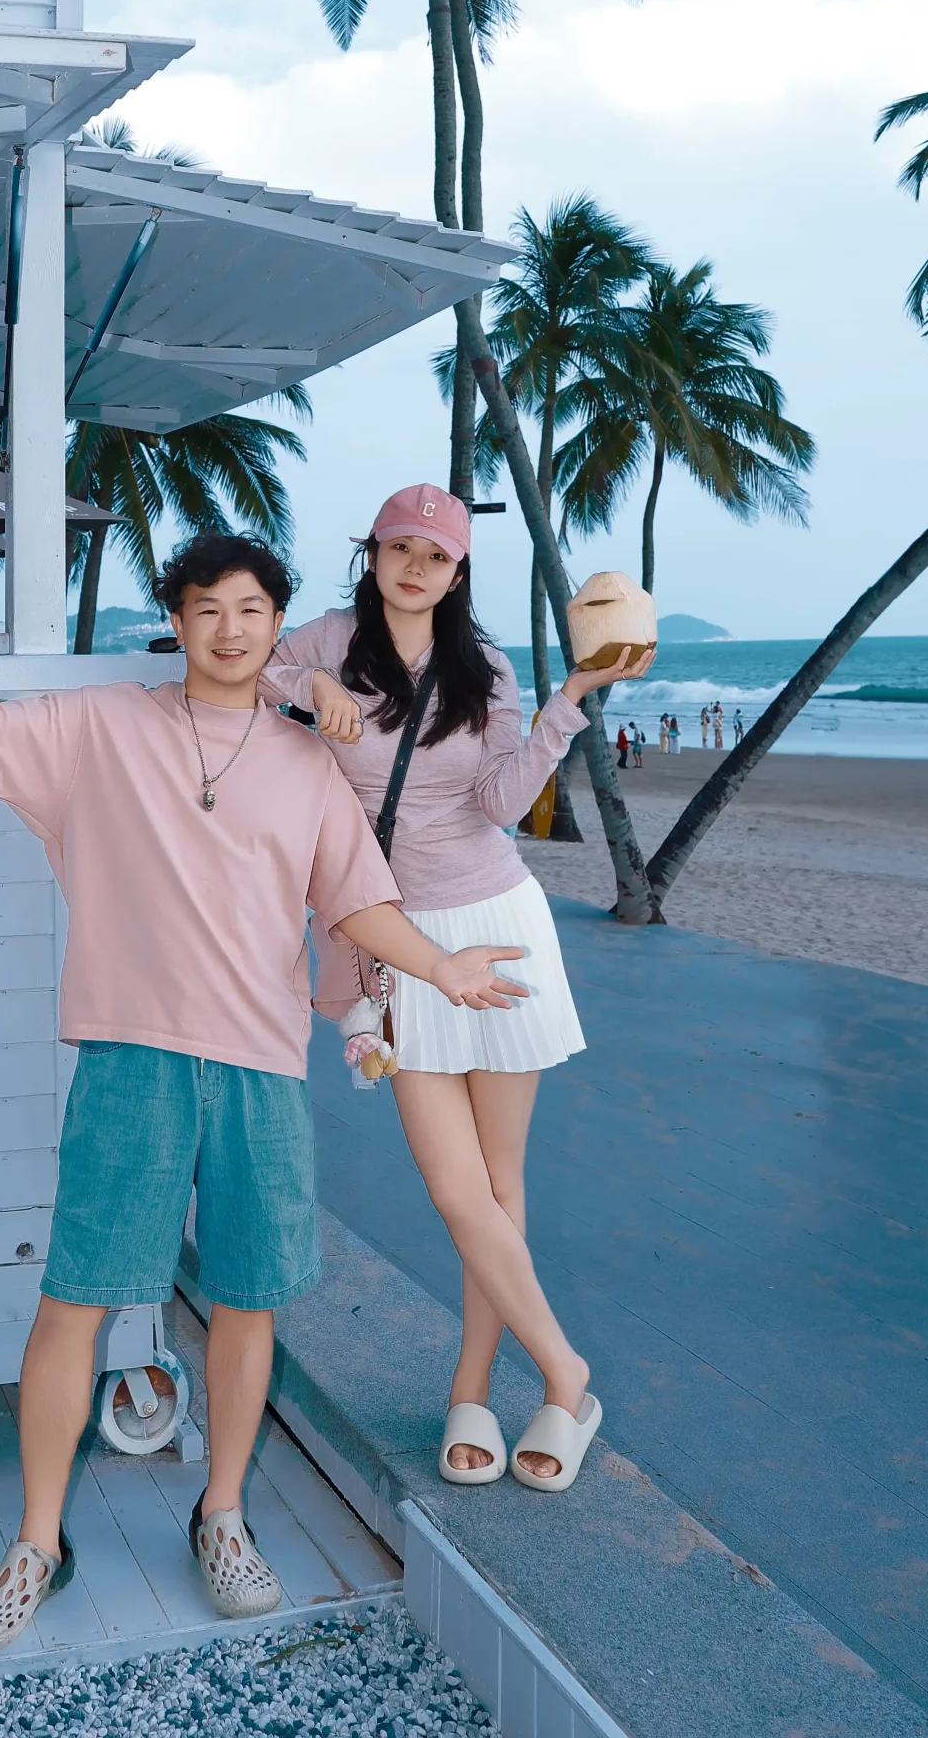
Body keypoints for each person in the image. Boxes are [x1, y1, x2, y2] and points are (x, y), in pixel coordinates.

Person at [0, 528, 525, 1652]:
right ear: (178, 620)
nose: (229, 629)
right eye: (206, 609)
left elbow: (357, 903)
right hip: (130, 1054)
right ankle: (37, 1545)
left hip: (259, 1067)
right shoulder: (103, 724)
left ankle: (222, 1515)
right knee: (74, 1301)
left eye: (250, 610)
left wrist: (443, 968)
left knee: (248, 1299)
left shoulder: (308, 767)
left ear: (276, 625)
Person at [260, 485, 645, 1495]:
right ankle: (565, 1375)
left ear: (458, 571)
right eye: (400, 548)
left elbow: (499, 801)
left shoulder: (487, 666)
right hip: (391, 937)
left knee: (497, 1185)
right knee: (452, 1186)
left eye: (436, 555)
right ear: (373, 554)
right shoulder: (329, 638)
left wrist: (570, 699)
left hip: (497, 924)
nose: (416, 567)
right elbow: (247, 667)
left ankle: (471, 1387)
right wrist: (310, 687)